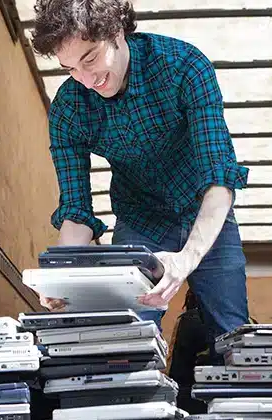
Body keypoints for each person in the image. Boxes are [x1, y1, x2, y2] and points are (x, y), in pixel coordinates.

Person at [29, 0, 250, 362]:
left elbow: (219, 178)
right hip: (140, 223)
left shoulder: (184, 66)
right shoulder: (69, 108)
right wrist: (63, 274)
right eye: (70, 68)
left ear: (116, 31)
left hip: (206, 215)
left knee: (233, 336)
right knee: (131, 335)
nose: (86, 80)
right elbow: (76, 210)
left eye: (90, 59)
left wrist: (187, 258)